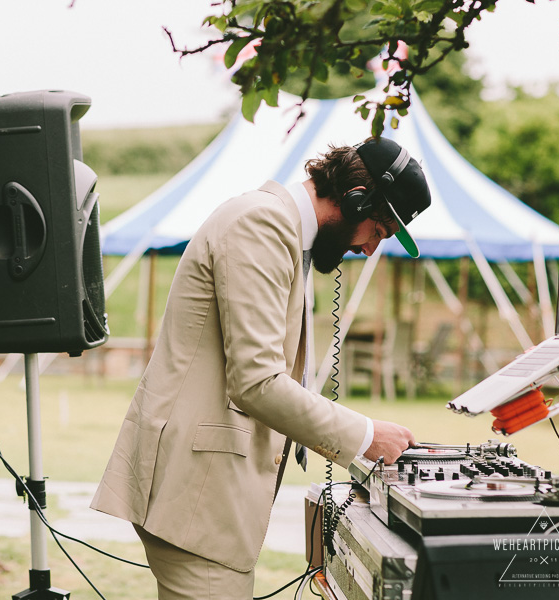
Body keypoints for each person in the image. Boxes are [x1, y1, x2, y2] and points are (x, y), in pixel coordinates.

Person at [91, 137, 432, 599]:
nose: (370, 249)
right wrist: (368, 437)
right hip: (194, 498)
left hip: (204, 499)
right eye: (378, 230)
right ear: (356, 199)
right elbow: (256, 382)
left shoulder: (283, 230)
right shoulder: (263, 224)